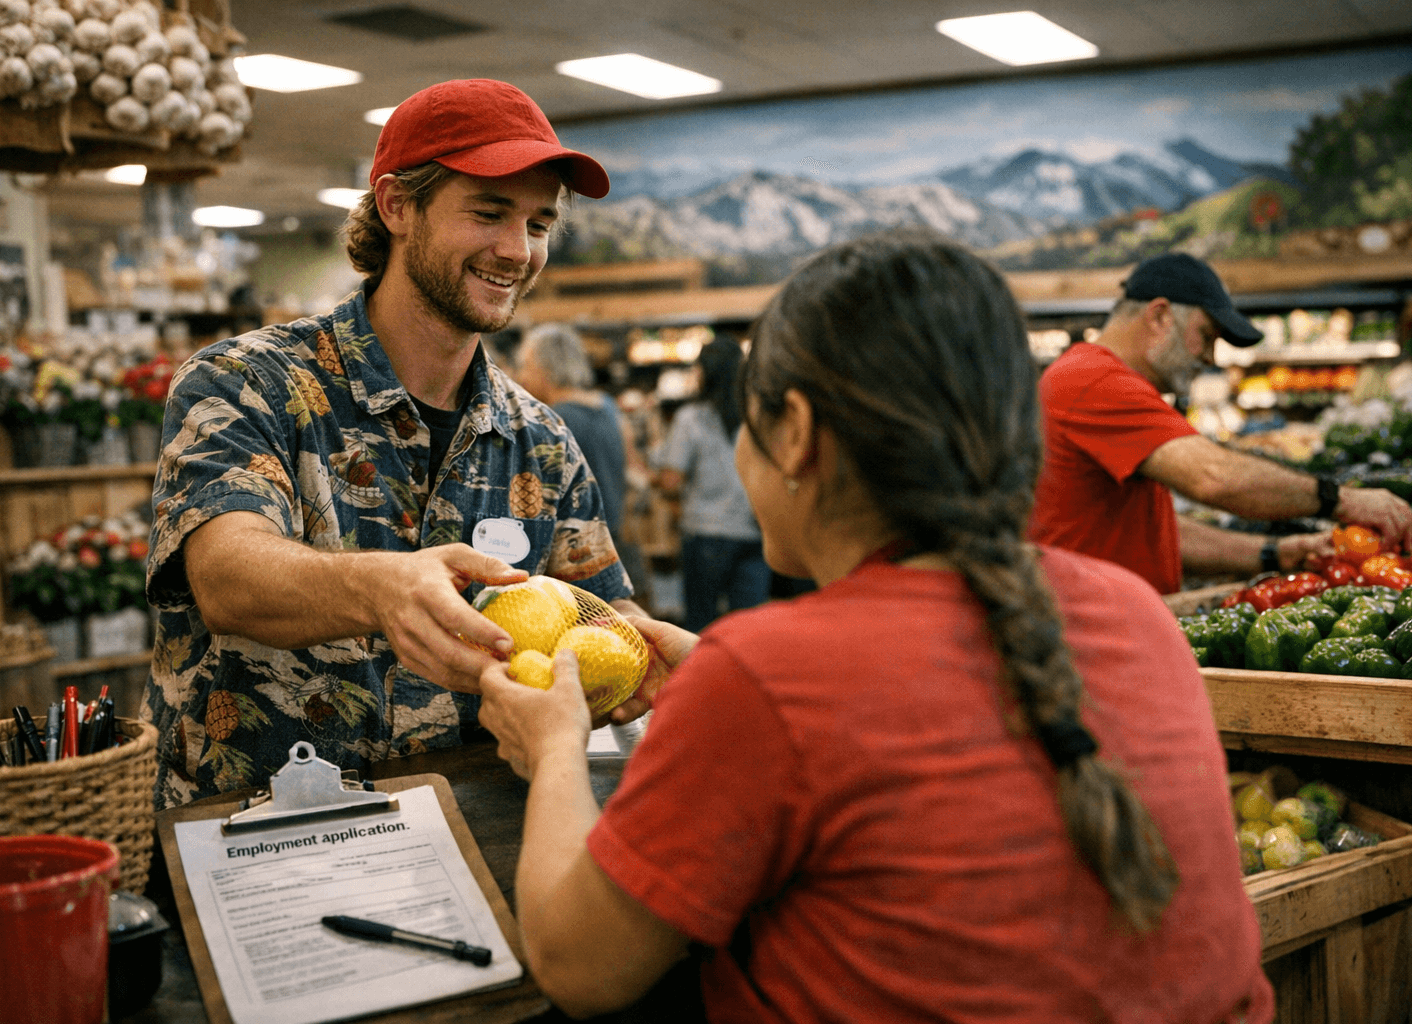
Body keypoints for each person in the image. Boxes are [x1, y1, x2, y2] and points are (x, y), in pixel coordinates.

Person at [476, 230, 1273, 1023]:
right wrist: (719, 680)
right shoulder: (1135, 610)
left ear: (794, 431)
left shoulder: (767, 678)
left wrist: (553, 748)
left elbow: (577, 967)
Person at [141, 78, 647, 809]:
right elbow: (227, 576)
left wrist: (655, 648)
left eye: (539, 223)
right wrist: (382, 589)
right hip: (258, 832)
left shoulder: (540, 440)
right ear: (397, 206)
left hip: (471, 834)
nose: (518, 250)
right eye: (488, 212)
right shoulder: (248, 383)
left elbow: (596, 613)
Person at [1029, 252, 1412, 594]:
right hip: (1089, 631)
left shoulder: (1096, 378)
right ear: (1160, 316)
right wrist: (1343, 500)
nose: (1211, 357)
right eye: (1207, 335)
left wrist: (1277, 553)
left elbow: (1156, 534)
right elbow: (1214, 477)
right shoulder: (1093, 380)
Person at [513, 322, 655, 602]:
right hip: (617, 543)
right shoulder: (608, 406)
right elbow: (635, 469)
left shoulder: (552, 422)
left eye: (526, 366)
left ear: (545, 367)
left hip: (577, 556)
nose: (521, 377)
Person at [656, 334, 769, 631]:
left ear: (705, 372)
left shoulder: (691, 418)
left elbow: (671, 481)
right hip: (754, 531)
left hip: (705, 531)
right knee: (749, 628)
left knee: (700, 627)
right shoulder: (758, 414)